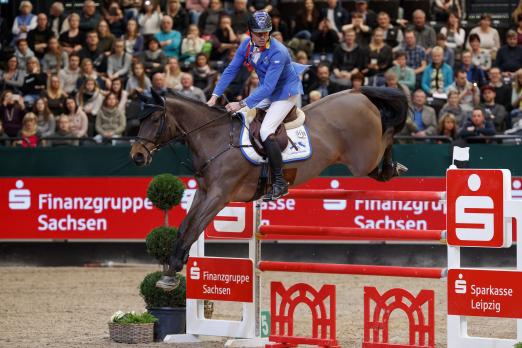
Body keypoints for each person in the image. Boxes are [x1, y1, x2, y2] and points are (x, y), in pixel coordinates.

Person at [207, 11, 307, 200]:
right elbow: (231, 69)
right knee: (243, 117)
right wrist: (215, 95)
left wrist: (242, 102)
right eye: (258, 33)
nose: (263, 37)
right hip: (267, 89)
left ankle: (279, 182)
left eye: (266, 33)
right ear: (250, 32)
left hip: (285, 92)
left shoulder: (279, 51)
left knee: (265, 129)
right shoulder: (246, 44)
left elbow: (269, 87)